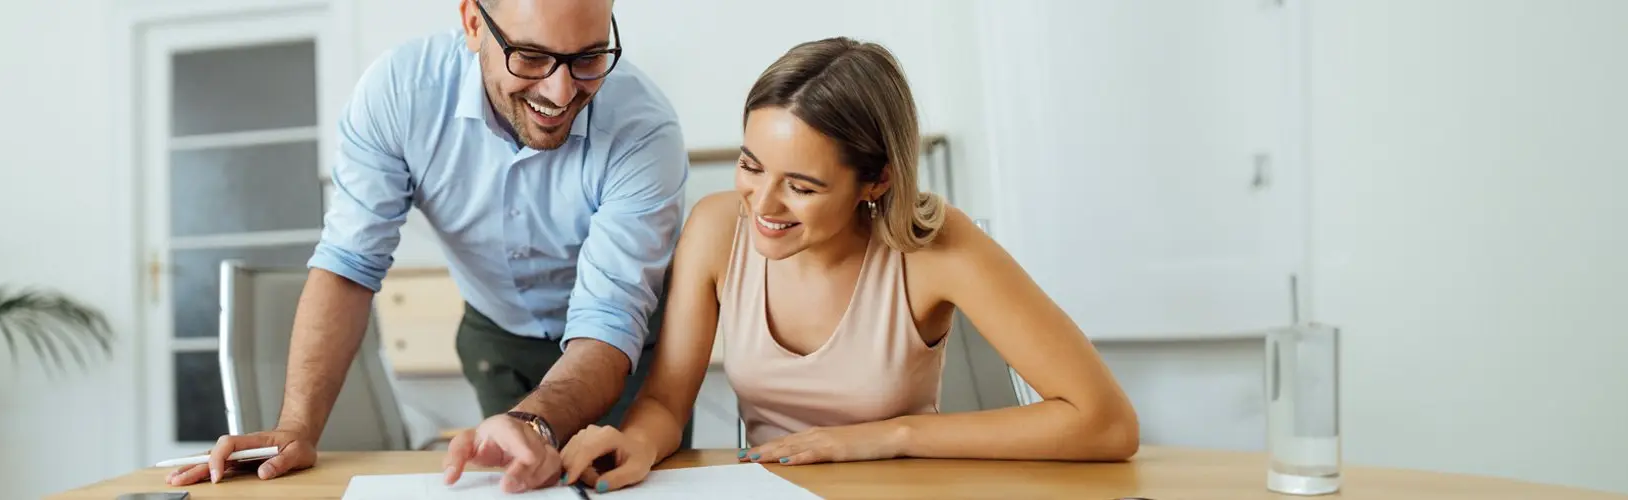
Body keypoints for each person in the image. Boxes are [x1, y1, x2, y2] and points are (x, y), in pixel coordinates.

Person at [555, 37, 1142, 492]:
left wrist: (887, 437)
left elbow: (1106, 423)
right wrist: (632, 440)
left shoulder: (935, 245)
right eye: (751, 166)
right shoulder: (715, 229)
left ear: (876, 180)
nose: (761, 205)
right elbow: (664, 404)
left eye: (802, 187)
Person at [165, 0, 691, 492]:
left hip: (625, 354)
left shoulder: (644, 131)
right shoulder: (401, 95)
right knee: (516, 485)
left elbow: (608, 319)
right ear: (472, 22)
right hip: (496, 336)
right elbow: (349, 266)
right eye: (530, 57)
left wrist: (535, 419)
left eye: (589, 58)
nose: (559, 93)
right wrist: (297, 427)